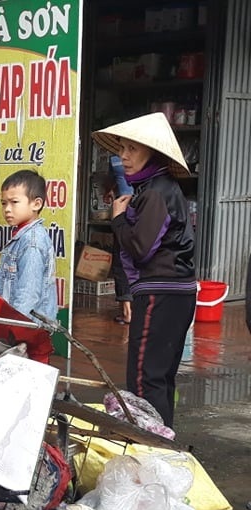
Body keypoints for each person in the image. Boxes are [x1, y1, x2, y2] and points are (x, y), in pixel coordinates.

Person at [92, 112, 197, 428]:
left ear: (154, 153)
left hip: (160, 293)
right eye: (122, 148)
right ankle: (163, 441)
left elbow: (140, 249)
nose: (123, 156)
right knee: (159, 377)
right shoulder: (159, 189)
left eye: (132, 149)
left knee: (144, 379)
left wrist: (118, 219)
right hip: (175, 292)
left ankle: (151, 443)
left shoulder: (155, 193)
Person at [0, 169, 58, 321]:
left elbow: (28, 294)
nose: (7, 209)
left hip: (27, 326)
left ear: (36, 204)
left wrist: (13, 325)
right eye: (4, 203)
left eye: (14, 202)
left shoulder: (32, 242)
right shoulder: (21, 237)